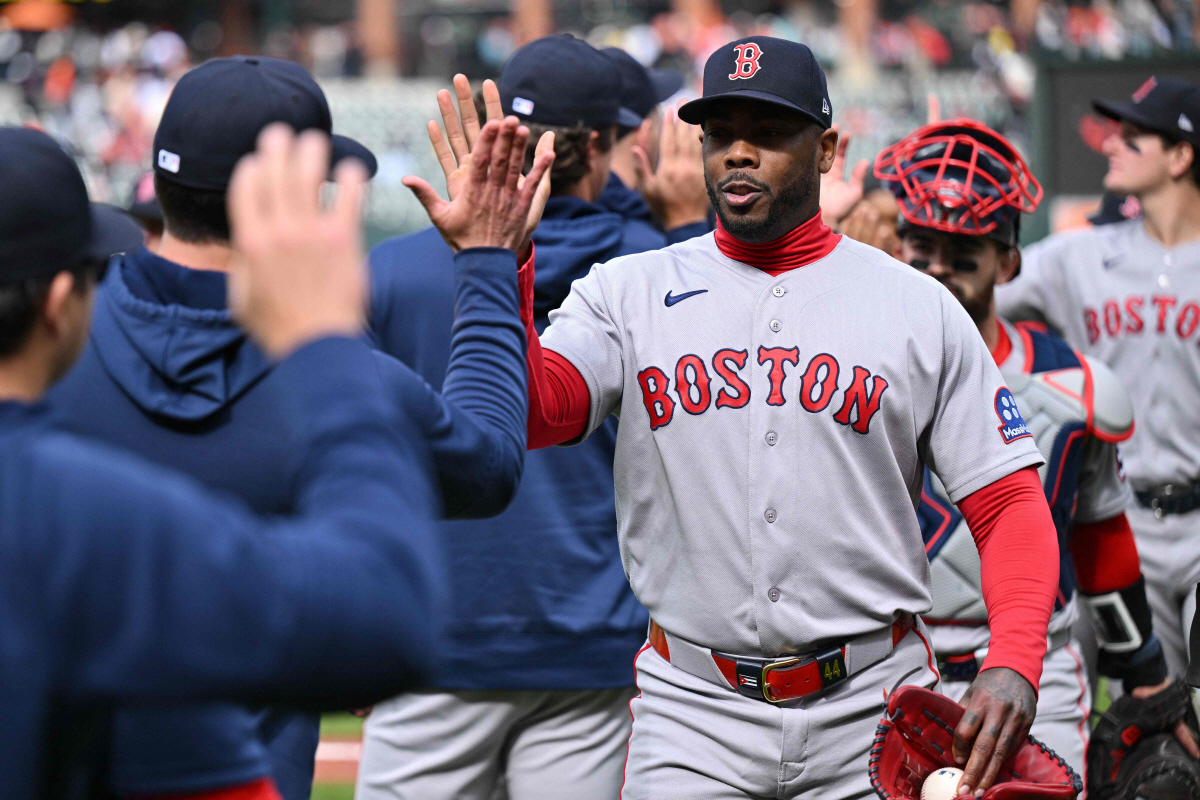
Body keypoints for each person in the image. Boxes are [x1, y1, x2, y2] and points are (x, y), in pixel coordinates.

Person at [499, 36, 1066, 799]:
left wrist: (1014, 659)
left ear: (826, 148)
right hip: (693, 706)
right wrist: (498, 263)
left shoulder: (916, 305)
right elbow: (541, 411)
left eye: (767, 133)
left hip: (873, 702)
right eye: (721, 133)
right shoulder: (626, 291)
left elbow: (1008, 503)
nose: (739, 153)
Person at [46, 57, 546, 800]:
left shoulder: (54, 338)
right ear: (289, 194)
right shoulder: (340, 373)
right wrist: (483, 262)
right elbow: (491, 464)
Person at [357, 35, 704, 800]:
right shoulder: (656, 269)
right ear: (603, 145)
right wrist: (684, 227)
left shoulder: (388, 269)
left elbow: (355, 463)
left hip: (430, 638)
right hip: (588, 650)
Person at [866, 117, 1189, 780]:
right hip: (886, 668)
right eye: (921, 247)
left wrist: (1148, 676)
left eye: (963, 254)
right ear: (895, 244)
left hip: (1036, 673)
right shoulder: (844, 369)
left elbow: (1100, 536)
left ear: (1008, 262)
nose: (937, 269)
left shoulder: (1073, 385)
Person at [997, 77, 1200, 679]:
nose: (1112, 143)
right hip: (1113, 516)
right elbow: (958, 296)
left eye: (1134, 136)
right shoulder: (1077, 257)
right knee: (1134, 712)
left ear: (1182, 156)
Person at [596, 47, 710, 240]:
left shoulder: (551, 212)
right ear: (643, 134)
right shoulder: (641, 240)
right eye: (659, 121)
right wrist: (688, 221)